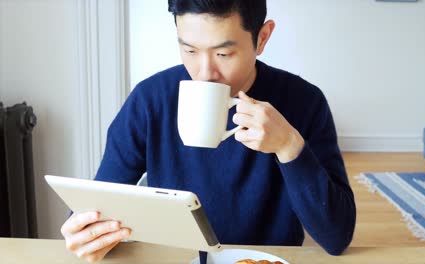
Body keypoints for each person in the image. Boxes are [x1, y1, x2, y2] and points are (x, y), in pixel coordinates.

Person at [60, 0, 356, 262]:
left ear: (262, 37)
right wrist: (87, 232)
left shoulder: (303, 102)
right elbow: (103, 200)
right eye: (189, 50)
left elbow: (336, 237)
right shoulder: (150, 100)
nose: (204, 74)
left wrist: (289, 147)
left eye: (223, 55)